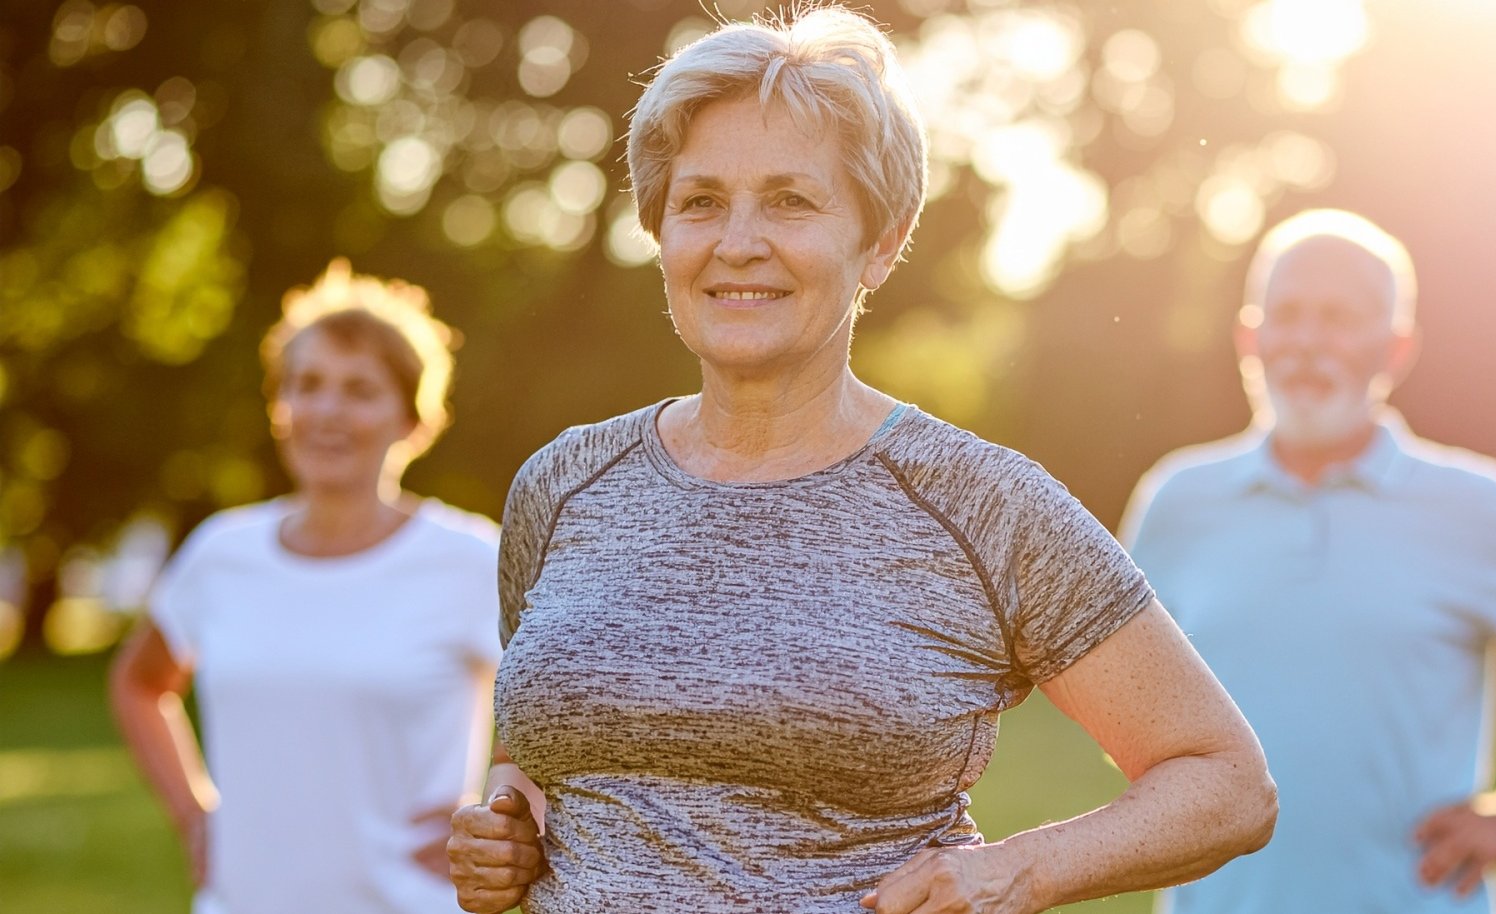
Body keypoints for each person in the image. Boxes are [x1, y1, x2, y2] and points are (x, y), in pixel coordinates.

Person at [444, 8, 1276, 914]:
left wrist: (1007, 872)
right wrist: (501, 829)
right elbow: (535, 759)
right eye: (701, 201)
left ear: (881, 241)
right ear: (662, 232)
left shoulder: (983, 504)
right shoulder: (563, 486)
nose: (738, 242)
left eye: (792, 200)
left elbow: (1226, 781)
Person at [1123, 210, 1496, 914]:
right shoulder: (1177, 501)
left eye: (1340, 318)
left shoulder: (1473, 505)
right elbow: (1122, 685)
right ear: (1251, 337)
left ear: (1396, 350)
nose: (1309, 343)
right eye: (1289, 315)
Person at [110, 260, 502, 914]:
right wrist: (194, 815)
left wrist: (505, 810)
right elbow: (140, 682)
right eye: (307, 384)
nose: (326, 410)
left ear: (414, 421)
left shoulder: (471, 558)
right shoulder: (221, 553)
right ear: (279, 408)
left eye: (359, 389)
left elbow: (568, 700)